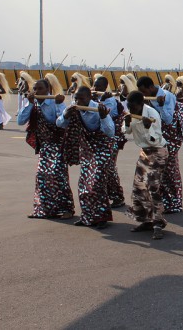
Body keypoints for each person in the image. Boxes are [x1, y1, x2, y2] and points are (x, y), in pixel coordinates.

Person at [57, 86, 115, 228]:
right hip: (87, 150)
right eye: (76, 98)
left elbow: (110, 132)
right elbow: (59, 124)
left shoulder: (98, 109)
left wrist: (103, 117)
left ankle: (101, 217)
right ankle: (87, 216)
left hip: (102, 148)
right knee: (83, 184)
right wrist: (65, 115)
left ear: (89, 98)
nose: (77, 101)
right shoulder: (73, 108)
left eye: (81, 98)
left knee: (96, 183)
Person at [18, 79, 74, 220]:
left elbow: (63, 123)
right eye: (35, 89)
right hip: (45, 145)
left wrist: (61, 104)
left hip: (58, 144)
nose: (37, 92)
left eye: (40, 89)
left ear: (48, 89)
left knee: (58, 175)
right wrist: (30, 103)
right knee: (42, 176)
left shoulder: (56, 101)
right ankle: (44, 209)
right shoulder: (33, 102)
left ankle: (67, 209)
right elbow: (20, 121)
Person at [137, 76, 183, 213]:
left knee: (171, 170)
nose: (143, 95)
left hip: (170, 138)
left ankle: (175, 203)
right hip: (157, 138)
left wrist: (160, 105)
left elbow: (168, 118)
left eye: (144, 91)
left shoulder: (167, 96)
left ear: (150, 87)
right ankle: (164, 201)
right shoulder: (148, 98)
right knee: (159, 172)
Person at [123, 91, 168, 240]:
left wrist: (148, 127)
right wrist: (127, 122)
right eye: (129, 107)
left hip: (158, 152)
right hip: (144, 152)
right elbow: (127, 132)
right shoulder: (132, 112)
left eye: (134, 107)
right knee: (139, 187)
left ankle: (158, 223)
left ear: (141, 104)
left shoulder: (152, 114)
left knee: (152, 186)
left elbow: (154, 140)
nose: (131, 110)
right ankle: (146, 220)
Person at [93, 76, 126, 208]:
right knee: (100, 168)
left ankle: (118, 196)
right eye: (95, 86)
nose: (96, 89)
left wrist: (101, 100)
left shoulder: (110, 100)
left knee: (110, 168)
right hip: (98, 139)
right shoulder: (95, 97)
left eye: (99, 87)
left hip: (110, 139)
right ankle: (103, 195)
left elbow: (107, 117)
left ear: (105, 87)